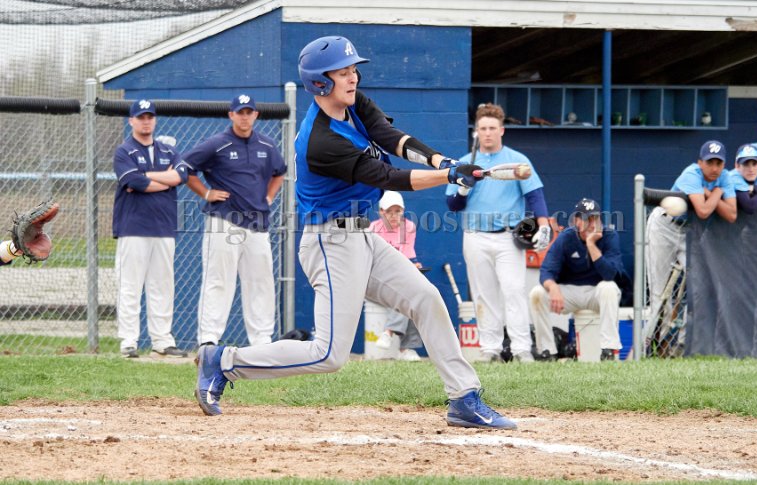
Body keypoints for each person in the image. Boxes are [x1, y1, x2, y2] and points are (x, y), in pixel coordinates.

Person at [194, 35, 516, 430]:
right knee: (328, 354)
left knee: (426, 298)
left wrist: (440, 160)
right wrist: (449, 175)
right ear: (320, 82)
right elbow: (387, 176)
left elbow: (391, 138)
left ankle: (464, 397)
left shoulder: (354, 104)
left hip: (363, 237)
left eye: (353, 70)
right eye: (343, 72)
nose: (353, 78)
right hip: (330, 242)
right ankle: (222, 361)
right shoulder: (321, 141)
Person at [444, 103, 551, 363]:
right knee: (483, 294)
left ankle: (521, 349)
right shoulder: (464, 163)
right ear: (476, 131)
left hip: (508, 237)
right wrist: (463, 188)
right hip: (475, 236)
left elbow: (534, 195)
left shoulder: (517, 161)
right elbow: (453, 205)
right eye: (483, 128)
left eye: (492, 128)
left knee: (513, 291)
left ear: (501, 130)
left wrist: (544, 225)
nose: (488, 133)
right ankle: (490, 349)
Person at [182, 94, 287, 347]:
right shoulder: (217, 143)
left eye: (249, 112)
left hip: (257, 222)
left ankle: (262, 340)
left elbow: (280, 172)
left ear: (256, 115)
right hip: (224, 220)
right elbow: (185, 167)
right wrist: (206, 193)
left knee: (261, 282)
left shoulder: (267, 145)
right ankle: (208, 339)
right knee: (218, 280)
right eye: (240, 112)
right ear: (231, 115)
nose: (244, 117)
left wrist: (269, 197)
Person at [112, 99, 189, 359]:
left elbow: (180, 176)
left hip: (164, 226)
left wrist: (147, 175)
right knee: (130, 286)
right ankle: (128, 341)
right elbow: (133, 181)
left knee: (162, 286)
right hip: (133, 227)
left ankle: (162, 341)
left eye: (149, 117)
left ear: (154, 120)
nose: (146, 121)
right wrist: (163, 179)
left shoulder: (169, 150)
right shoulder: (124, 151)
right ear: (131, 121)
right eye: (141, 117)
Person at [645, 140, 737, 314]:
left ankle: (686, 331)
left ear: (724, 164)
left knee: (702, 282)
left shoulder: (725, 177)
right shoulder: (691, 173)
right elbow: (703, 211)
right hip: (664, 226)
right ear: (700, 162)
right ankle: (658, 330)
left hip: (690, 232)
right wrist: (718, 193)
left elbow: (732, 214)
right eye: (710, 162)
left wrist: (712, 193)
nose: (714, 168)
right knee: (659, 288)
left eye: (719, 163)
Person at [528, 198, 624, 361]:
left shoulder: (609, 236)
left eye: (595, 219)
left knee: (608, 288)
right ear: (577, 221)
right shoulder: (566, 237)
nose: (592, 225)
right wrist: (553, 287)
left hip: (596, 294)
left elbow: (609, 274)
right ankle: (547, 351)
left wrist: (591, 245)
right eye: (587, 219)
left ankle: (608, 349)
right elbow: (546, 271)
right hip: (569, 294)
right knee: (537, 293)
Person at [370, 190, 424, 361]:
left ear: (403, 211)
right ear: (381, 212)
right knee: (406, 295)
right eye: (389, 211)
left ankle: (389, 333)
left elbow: (407, 254)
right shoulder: (372, 229)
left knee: (413, 296)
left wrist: (414, 265)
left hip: (399, 278)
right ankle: (405, 348)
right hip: (378, 281)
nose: (394, 216)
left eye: (397, 211)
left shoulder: (409, 227)